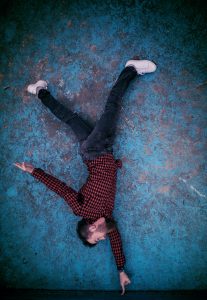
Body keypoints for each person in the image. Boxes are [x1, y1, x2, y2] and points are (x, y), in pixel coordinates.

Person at [14, 58, 156, 295]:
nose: (102, 239)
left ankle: (130, 68)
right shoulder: (107, 216)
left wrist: (33, 170)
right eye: (100, 240)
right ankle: (40, 90)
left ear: (90, 228)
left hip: (95, 149)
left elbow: (59, 188)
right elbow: (116, 243)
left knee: (112, 107)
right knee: (68, 117)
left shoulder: (80, 209)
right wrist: (121, 270)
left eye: (96, 239)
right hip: (99, 152)